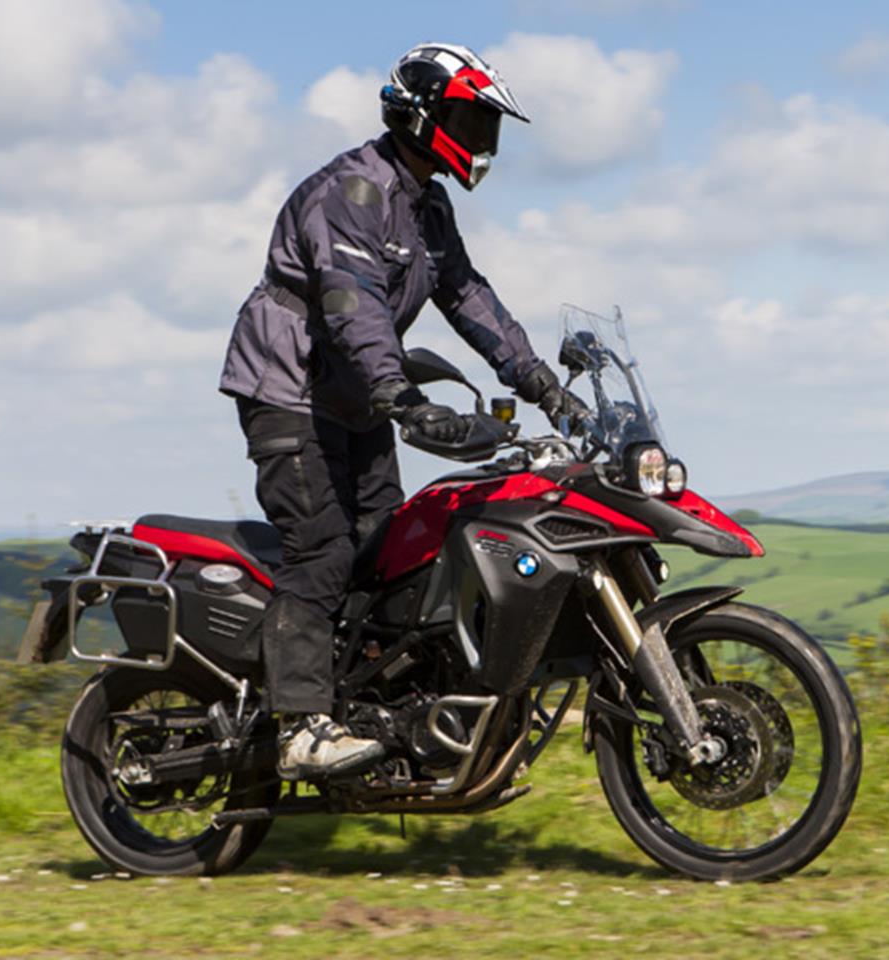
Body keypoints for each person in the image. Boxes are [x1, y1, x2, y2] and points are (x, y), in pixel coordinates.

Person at [218, 42, 585, 780]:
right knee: (322, 548)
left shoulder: (426, 202)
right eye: (470, 121)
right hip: (290, 392)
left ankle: (381, 714)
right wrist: (400, 397)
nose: (483, 141)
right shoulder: (352, 191)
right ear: (421, 116)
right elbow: (352, 306)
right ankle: (300, 727)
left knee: (391, 552)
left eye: (488, 127)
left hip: (355, 399)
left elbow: (468, 297)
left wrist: (545, 385)